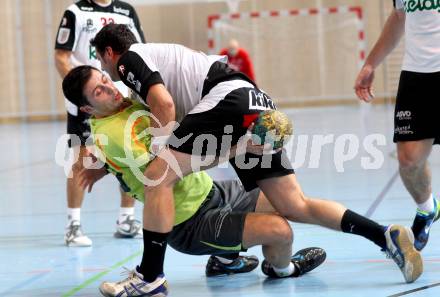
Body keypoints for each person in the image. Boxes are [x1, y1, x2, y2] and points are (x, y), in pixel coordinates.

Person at [89, 24, 423, 295]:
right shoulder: (162, 55)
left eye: (102, 65)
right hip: (253, 100)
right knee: (295, 204)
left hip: (226, 99)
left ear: (108, 52)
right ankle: (384, 235)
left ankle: (150, 277)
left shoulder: (129, 58)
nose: (106, 72)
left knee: (158, 176)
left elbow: (164, 104)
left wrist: (163, 152)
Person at [62, 65, 327, 296]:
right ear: (86, 108)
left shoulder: (119, 108)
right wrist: (239, 147)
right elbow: (170, 169)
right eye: (99, 91)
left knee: (285, 202)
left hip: (210, 192)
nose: (110, 88)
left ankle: (224, 261)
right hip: (189, 222)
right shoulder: (116, 132)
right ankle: (283, 269)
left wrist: (106, 167)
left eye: (105, 80)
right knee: (281, 232)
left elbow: (128, 157)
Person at [54, 0, 146, 246]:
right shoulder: (76, 12)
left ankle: (126, 219)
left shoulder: (126, 12)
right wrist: (80, 92)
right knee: (81, 157)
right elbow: (61, 56)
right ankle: (73, 225)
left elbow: (140, 52)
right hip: (88, 101)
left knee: (129, 153)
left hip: (119, 97)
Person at [354, 0, 440, 252]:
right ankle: (427, 209)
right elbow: (399, 16)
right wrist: (370, 63)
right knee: (409, 161)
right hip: (417, 75)